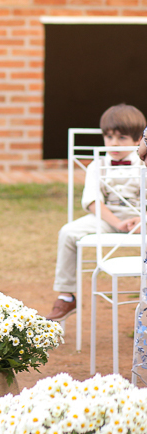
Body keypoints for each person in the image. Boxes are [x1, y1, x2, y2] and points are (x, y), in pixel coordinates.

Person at [45, 104, 146, 321]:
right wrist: (117, 224)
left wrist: (142, 220)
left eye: (122, 138)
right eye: (109, 137)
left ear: (138, 139)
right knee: (68, 232)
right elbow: (93, 202)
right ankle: (66, 295)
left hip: (142, 221)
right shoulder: (96, 164)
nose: (114, 144)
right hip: (107, 219)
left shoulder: (144, 162)